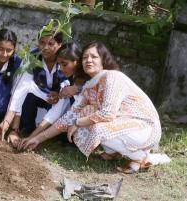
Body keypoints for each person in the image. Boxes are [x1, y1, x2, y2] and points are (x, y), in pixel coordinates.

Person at [19, 41, 162, 174]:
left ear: (103, 60)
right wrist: (38, 139)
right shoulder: (89, 85)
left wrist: (77, 123)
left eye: (94, 57)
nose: (88, 60)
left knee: (95, 127)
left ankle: (141, 157)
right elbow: (68, 117)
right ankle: (113, 153)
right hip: (127, 126)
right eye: (85, 57)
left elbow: (107, 114)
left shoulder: (112, 77)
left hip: (145, 127)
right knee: (83, 115)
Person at [0, 31, 69, 147]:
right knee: (23, 84)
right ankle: (20, 128)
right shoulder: (33, 57)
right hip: (39, 101)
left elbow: (67, 91)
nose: (45, 48)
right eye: (42, 43)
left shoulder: (65, 60)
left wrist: (59, 94)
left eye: (51, 44)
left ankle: (36, 135)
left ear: (60, 45)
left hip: (58, 105)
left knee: (65, 99)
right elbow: (20, 90)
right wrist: (9, 124)